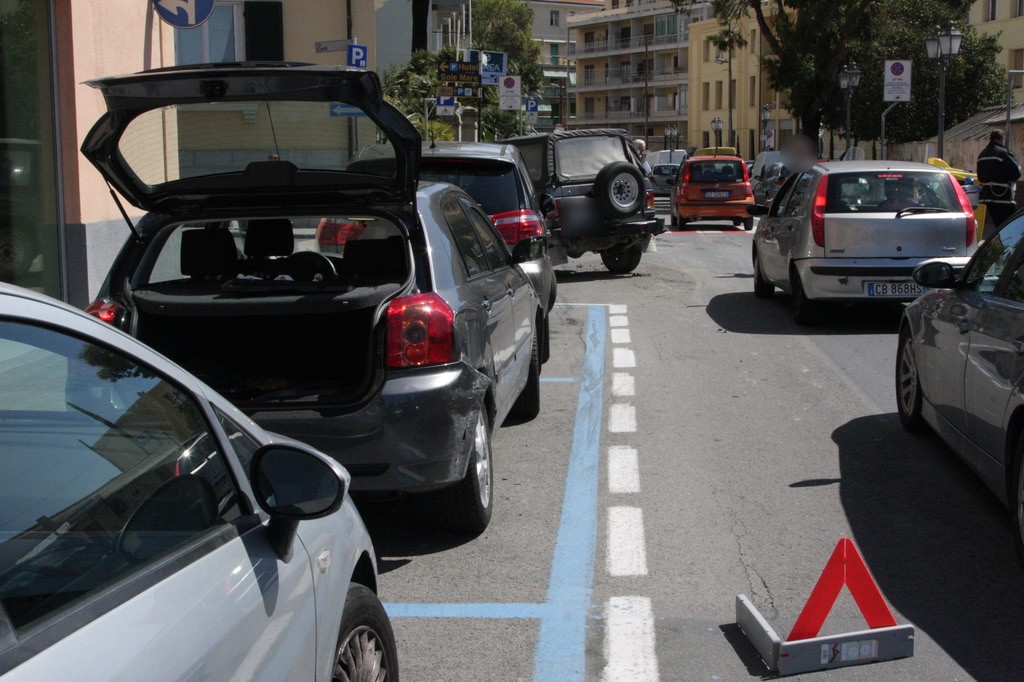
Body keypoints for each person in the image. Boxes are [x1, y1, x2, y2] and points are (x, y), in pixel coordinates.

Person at [977, 129, 1021, 230]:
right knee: (1013, 224)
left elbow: (980, 177)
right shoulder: (1003, 153)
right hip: (1003, 196)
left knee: (999, 226)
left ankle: (1001, 240)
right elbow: (1016, 174)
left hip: (988, 197)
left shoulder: (982, 155)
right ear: (1002, 139)